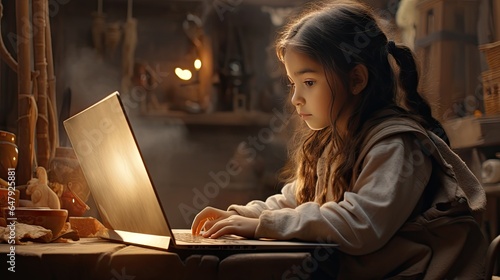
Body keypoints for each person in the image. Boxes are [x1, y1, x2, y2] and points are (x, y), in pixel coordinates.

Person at [191, 0, 488, 278]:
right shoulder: (332, 143)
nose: (296, 98)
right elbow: (295, 199)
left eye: (309, 82)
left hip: (414, 273)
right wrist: (241, 216)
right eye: (293, 84)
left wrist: (263, 226)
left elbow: (360, 223)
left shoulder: (397, 145)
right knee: (214, 261)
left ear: (356, 79)